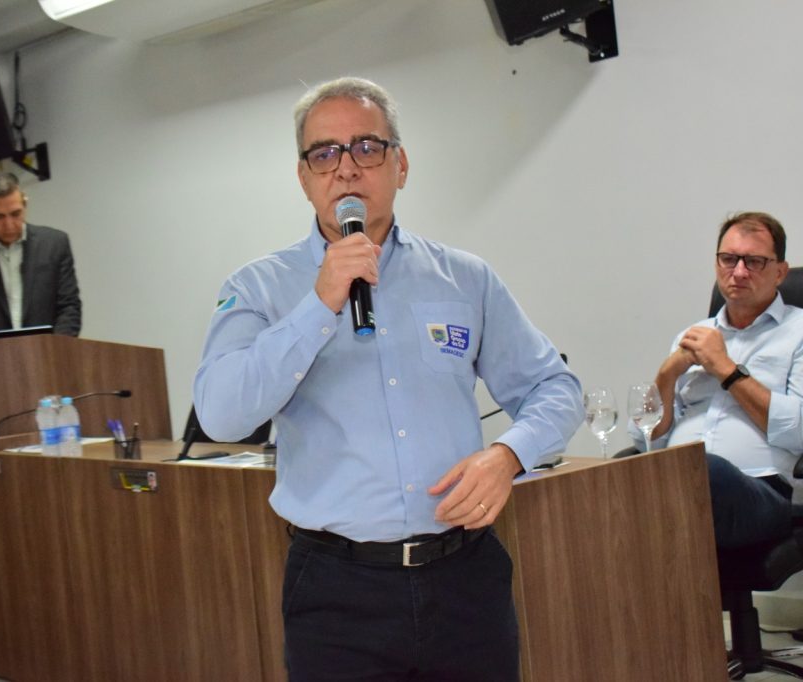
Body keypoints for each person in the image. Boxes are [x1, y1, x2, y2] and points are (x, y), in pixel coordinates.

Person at [193, 77, 583, 681]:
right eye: (324, 153)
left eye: (367, 147)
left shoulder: (465, 278)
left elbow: (556, 388)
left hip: (465, 579)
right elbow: (221, 415)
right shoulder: (258, 287)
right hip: (336, 591)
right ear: (303, 177)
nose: (346, 168)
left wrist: (508, 456)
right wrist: (318, 304)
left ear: (400, 165)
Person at [633, 212, 803, 549]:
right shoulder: (692, 335)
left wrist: (727, 369)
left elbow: (799, 431)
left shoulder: (797, 332)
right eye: (729, 259)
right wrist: (667, 375)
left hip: (762, 490)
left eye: (754, 261)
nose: (738, 272)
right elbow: (646, 439)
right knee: (611, 481)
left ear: (780, 272)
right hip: (679, 482)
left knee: (702, 470)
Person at [0, 171, 81, 345]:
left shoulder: (55, 244)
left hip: (49, 353)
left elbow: (69, 307)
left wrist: (54, 350)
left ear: (25, 204)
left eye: (16, 214)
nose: (9, 225)